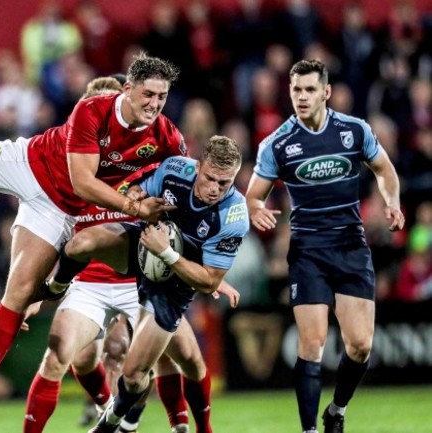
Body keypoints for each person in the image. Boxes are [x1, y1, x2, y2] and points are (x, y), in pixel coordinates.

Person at [0, 53, 185, 433]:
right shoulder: (90, 115)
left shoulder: (160, 142)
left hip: (74, 234)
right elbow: (83, 184)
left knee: (29, 299)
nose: (154, 104)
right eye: (148, 95)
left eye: (162, 98)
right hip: (29, 165)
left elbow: (184, 184)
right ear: (126, 92)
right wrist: (136, 206)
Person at [40, 135, 246, 433]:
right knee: (81, 243)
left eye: (224, 184)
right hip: (143, 247)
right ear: (197, 167)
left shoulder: (233, 215)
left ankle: (114, 425)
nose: (214, 189)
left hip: (175, 284)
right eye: (210, 178)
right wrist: (137, 196)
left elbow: (208, 281)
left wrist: (167, 252)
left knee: (137, 374)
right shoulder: (175, 169)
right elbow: (137, 190)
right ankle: (54, 288)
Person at [245, 59, 405, 433]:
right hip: (308, 250)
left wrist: (392, 201)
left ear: (326, 92)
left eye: (310, 90)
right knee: (312, 343)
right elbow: (253, 196)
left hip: (350, 244)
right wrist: (257, 210)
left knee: (360, 346)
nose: (302, 97)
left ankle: (337, 410)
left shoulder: (354, 131)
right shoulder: (277, 144)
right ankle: (309, 430)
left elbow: (385, 170)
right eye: (296, 90)